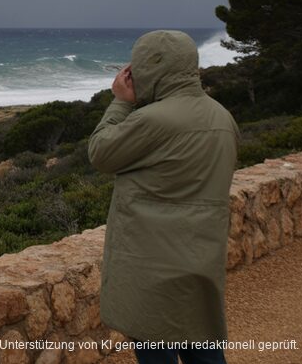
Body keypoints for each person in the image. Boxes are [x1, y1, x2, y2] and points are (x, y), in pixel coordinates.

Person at [88, 30, 239, 364]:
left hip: (151, 264)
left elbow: (100, 153)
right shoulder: (222, 117)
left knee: (155, 350)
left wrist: (120, 102)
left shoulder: (152, 119)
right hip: (199, 256)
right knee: (202, 347)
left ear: (153, 66)